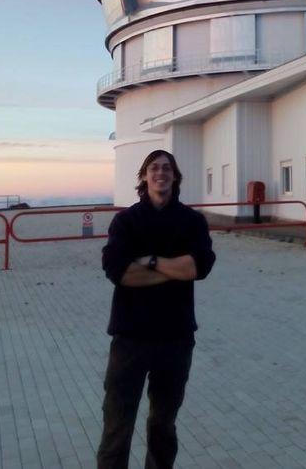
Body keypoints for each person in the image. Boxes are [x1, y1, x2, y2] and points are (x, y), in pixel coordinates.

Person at [98, 149, 216, 469]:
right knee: (116, 428)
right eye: (154, 168)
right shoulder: (126, 221)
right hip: (129, 339)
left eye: (167, 168)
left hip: (175, 339)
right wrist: (173, 268)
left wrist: (149, 262)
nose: (160, 173)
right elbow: (117, 271)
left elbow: (199, 267)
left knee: (163, 427)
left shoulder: (192, 221)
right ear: (144, 177)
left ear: (175, 176)